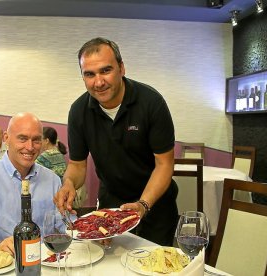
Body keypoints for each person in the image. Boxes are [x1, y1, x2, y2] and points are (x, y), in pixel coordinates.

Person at [54, 37, 178, 246]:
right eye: (90, 74)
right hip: (111, 207)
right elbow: (77, 165)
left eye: (105, 70)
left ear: (121, 68)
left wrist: (143, 204)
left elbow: (164, 164)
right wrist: (68, 183)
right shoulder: (78, 111)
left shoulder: (151, 103)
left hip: (155, 205)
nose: (99, 82)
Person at [0, 112, 61, 257]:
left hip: (46, 264)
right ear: (6, 138)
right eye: (22, 138)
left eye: (36, 140)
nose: (30, 147)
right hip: (4, 265)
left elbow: (65, 224)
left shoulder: (52, 180)